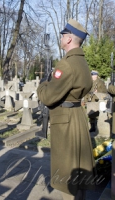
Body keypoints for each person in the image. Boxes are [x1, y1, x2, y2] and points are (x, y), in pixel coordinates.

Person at [37, 19, 96, 200]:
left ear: (69, 39)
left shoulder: (66, 64)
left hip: (66, 123)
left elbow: (47, 97)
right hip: (77, 117)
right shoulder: (83, 64)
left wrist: (43, 85)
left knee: (68, 176)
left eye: (63, 35)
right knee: (78, 173)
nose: (61, 37)